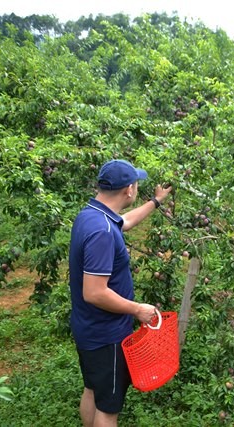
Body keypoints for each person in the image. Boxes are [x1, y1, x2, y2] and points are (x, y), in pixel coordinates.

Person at [68, 159, 173, 427]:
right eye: (136, 184)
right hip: (108, 336)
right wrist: (138, 309)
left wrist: (156, 202)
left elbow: (123, 222)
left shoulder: (92, 215)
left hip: (88, 329)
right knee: (108, 408)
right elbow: (94, 292)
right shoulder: (102, 232)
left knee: (93, 389)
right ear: (129, 190)